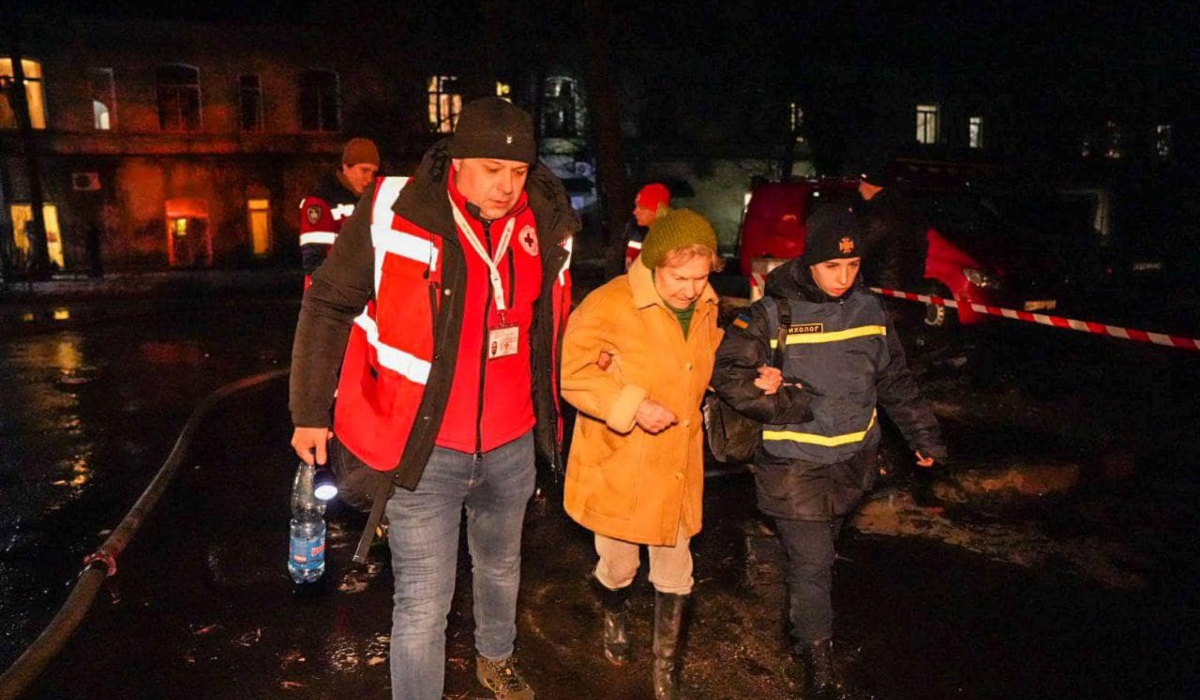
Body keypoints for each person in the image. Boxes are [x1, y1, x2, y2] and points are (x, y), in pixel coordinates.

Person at [289, 97, 577, 700]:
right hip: (422, 447)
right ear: (458, 161)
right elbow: (327, 302)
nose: (506, 186)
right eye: (492, 170)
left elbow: (549, 323)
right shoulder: (396, 208)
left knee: (501, 568)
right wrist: (309, 412)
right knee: (423, 601)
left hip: (511, 442)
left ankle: (496, 658)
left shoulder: (545, 219)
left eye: (518, 171)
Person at [711, 205, 947, 700]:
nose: (843, 277)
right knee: (814, 562)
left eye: (853, 265)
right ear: (810, 261)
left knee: (818, 558)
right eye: (832, 266)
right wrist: (779, 402)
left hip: (852, 463)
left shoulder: (870, 311)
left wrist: (924, 437)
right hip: (793, 464)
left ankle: (800, 619)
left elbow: (895, 381)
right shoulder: (772, 312)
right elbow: (728, 372)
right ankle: (818, 662)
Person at [561, 208, 734, 700]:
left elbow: (704, 365)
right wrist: (633, 406)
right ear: (656, 264)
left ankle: (664, 670)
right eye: (680, 278)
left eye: (700, 277)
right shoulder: (610, 304)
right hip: (621, 463)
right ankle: (614, 613)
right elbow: (573, 373)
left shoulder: (706, 305)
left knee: (677, 574)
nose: (691, 289)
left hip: (676, 464)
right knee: (619, 568)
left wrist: (747, 377)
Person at [297, 136, 380, 288]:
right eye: (364, 170)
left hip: (357, 292)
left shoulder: (369, 200)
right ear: (346, 167)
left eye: (373, 173)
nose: (369, 179)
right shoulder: (320, 201)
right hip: (331, 294)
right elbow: (314, 262)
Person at [854, 161, 928, 299]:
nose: (859, 189)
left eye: (862, 184)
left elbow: (859, 249)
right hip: (910, 290)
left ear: (873, 185)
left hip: (884, 291)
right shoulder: (905, 209)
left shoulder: (879, 215)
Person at [624, 182, 671, 270]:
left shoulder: (671, 240)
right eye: (636, 207)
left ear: (658, 210)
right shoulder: (637, 232)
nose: (635, 212)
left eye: (641, 208)